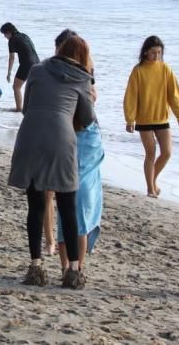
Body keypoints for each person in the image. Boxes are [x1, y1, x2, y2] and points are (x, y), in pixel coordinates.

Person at [8, 35, 95, 290]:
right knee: (67, 206)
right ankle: (73, 271)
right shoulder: (82, 78)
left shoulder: (36, 70)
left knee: (35, 205)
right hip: (61, 139)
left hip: (30, 135)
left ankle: (36, 266)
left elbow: (27, 107)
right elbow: (88, 119)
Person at [51, 29, 104, 278]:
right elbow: (87, 114)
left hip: (70, 139)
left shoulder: (52, 73)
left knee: (70, 208)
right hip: (82, 141)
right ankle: (75, 267)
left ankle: (69, 267)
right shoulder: (81, 76)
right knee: (80, 208)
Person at [123, 35, 179, 198]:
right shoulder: (138, 71)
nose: (156, 56)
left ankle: (153, 180)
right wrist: (130, 119)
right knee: (150, 153)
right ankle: (150, 189)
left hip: (162, 118)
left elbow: (174, 94)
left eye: (159, 53)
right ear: (145, 53)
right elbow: (131, 95)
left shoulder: (165, 69)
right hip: (144, 119)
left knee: (167, 153)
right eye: (153, 53)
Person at [0, 22, 40, 112]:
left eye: (4, 34)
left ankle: (19, 109)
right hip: (37, 62)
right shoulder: (24, 35)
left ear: (9, 32)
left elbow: (12, 57)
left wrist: (9, 72)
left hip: (27, 64)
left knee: (16, 87)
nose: (4, 36)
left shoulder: (12, 40)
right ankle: (36, 107)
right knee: (33, 87)